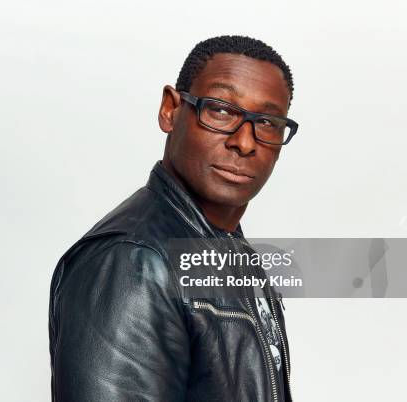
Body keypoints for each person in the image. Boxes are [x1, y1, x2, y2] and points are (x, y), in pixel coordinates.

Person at [49, 35, 299, 402]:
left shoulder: (227, 250)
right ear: (171, 109)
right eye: (221, 110)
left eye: (267, 122)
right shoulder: (132, 261)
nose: (245, 142)